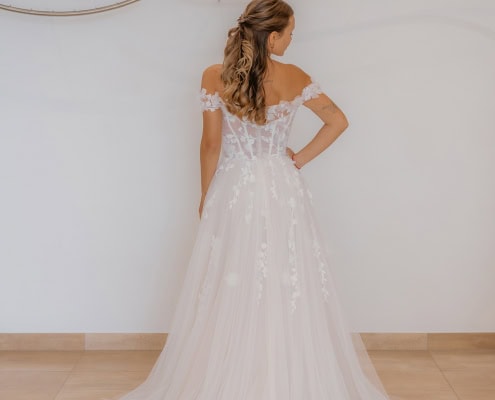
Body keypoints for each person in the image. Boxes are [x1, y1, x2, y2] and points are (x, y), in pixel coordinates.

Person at [117, 1, 395, 399]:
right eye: (291, 33)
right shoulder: (296, 76)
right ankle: (285, 371)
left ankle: (233, 371)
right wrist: (298, 159)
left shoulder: (214, 76)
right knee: (287, 275)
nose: (292, 39)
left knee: (234, 275)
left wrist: (205, 195)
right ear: (273, 36)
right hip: (283, 187)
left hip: (236, 188)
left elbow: (211, 144)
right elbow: (338, 120)